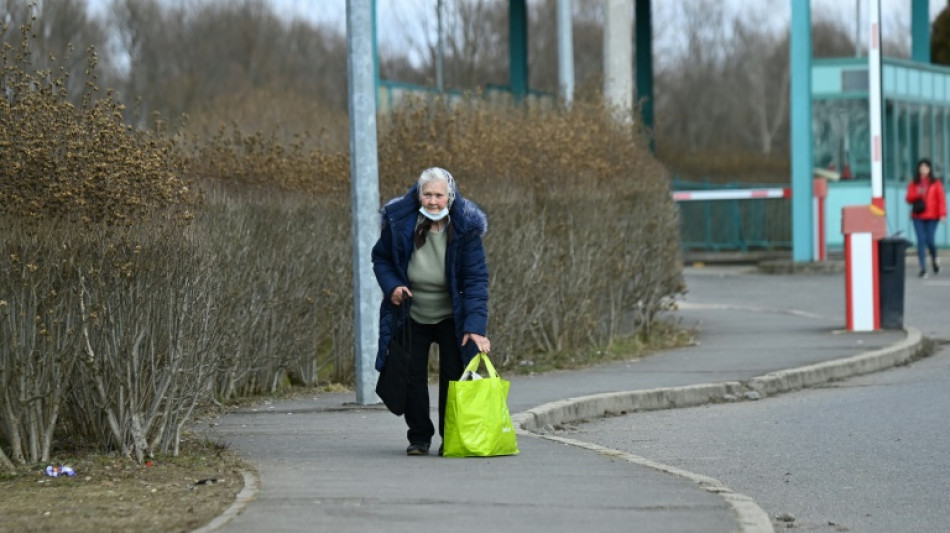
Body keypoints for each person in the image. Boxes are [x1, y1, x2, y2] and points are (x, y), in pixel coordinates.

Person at [372, 167, 491, 456]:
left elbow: (476, 280)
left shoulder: (465, 228)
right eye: (427, 194)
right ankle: (419, 437)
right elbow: (382, 259)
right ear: (418, 194)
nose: (433, 201)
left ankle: (450, 436)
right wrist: (394, 287)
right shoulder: (400, 223)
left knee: (454, 375)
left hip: (453, 315)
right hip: (412, 312)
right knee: (412, 376)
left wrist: (475, 327)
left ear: (449, 196)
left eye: (439, 195)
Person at [905, 158, 947, 278]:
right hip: (918, 215)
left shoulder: (936, 183)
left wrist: (942, 214)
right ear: (918, 169)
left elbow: (941, 200)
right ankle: (923, 268)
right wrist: (918, 193)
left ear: (929, 169)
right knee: (921, 240)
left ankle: (935, 258)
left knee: (930, 240)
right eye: (921, 168)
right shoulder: (914, 183)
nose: (923, 170)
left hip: (932, 216)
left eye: (926, 168)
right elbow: (908, 198)